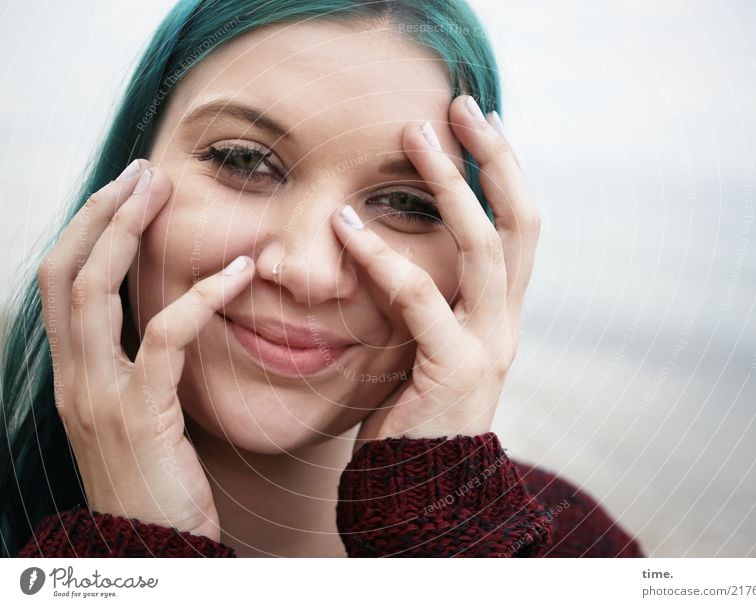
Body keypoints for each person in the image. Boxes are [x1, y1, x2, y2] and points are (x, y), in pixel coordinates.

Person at [1, 0, 644, 558]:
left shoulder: (573, 546)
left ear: (484, 258)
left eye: (408, 203)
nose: (308, 272)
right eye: (243, 159)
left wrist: (436, 542)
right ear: (126, 171)